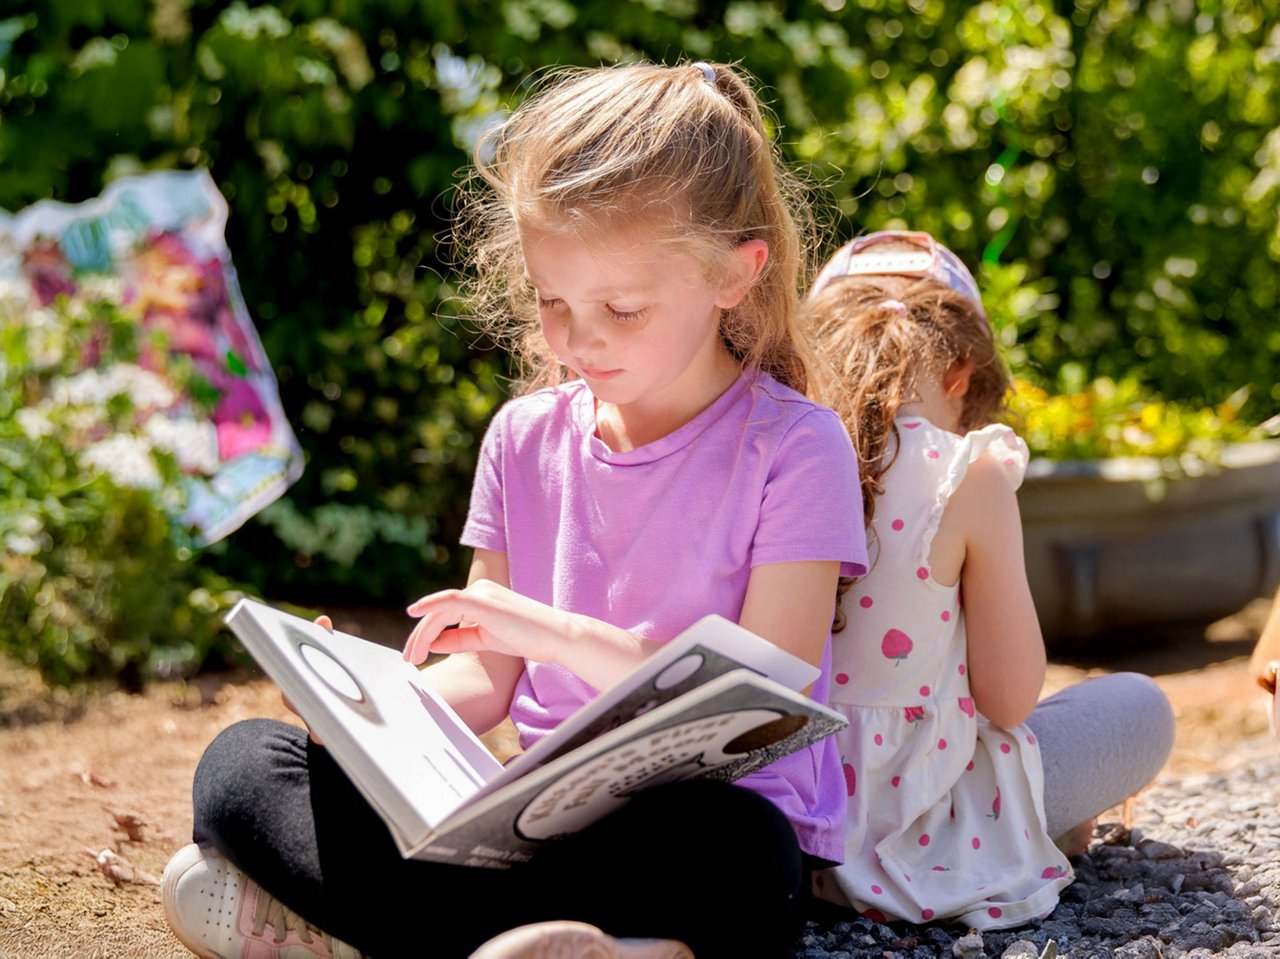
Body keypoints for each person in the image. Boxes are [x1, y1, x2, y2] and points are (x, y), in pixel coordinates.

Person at [160, 61, 867, 959]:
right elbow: (486, 682)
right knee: (242, 765)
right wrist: (370, 708)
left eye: (621, 306)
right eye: (553, 302)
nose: (580, 339)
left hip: (693, 829)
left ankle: (359, 932)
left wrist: (551, 633)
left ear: (735, 273)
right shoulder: (524, 437)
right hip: (529, 835)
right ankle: (579, 949)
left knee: (741, 853)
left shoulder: (797, 446)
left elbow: (766, 694)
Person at [803, 230, 1176, 929]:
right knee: (1139, 705)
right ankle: (1030, 829)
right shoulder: (967, 471)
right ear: (962, 375)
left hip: (794, 822)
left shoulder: (780, 457)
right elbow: (1008, 699)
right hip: (930, 827)